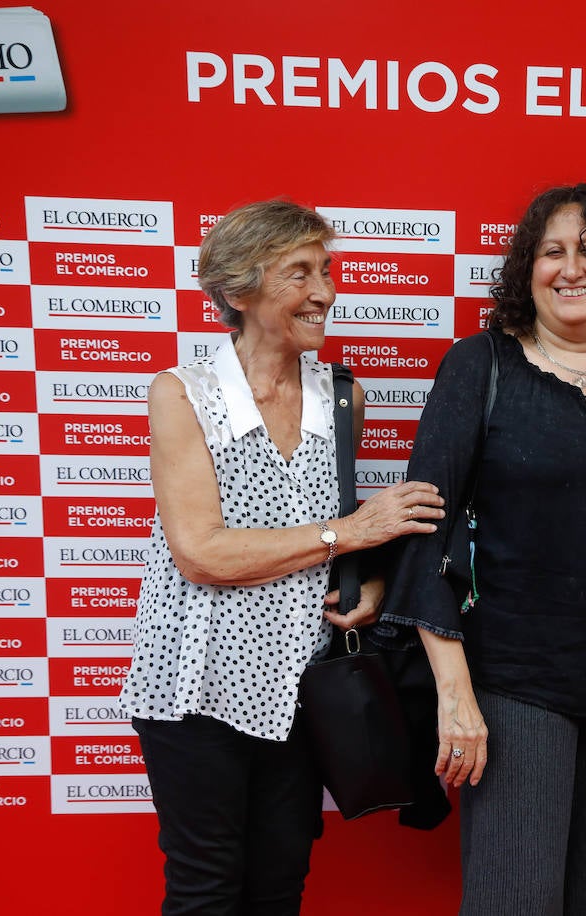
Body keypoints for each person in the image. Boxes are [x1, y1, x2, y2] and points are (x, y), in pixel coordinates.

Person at [118, 200, 445, 915]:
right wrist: (348, 535)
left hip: (300, 686)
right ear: (238, 291)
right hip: (194, 684)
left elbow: (333, 543)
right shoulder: (184, 394)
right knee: (205, 889)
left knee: (280, 884)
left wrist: (369, 579)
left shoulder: (343, 397)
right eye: (300, 274)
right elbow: (200, 553)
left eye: (326, 271)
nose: (324, 292)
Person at [375, 183, 586, 914]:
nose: (573, 269)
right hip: (513, 689)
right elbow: (424, 527)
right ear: (526, 269)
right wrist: (456, 695)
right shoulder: (482, 365)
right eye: (553, 252)